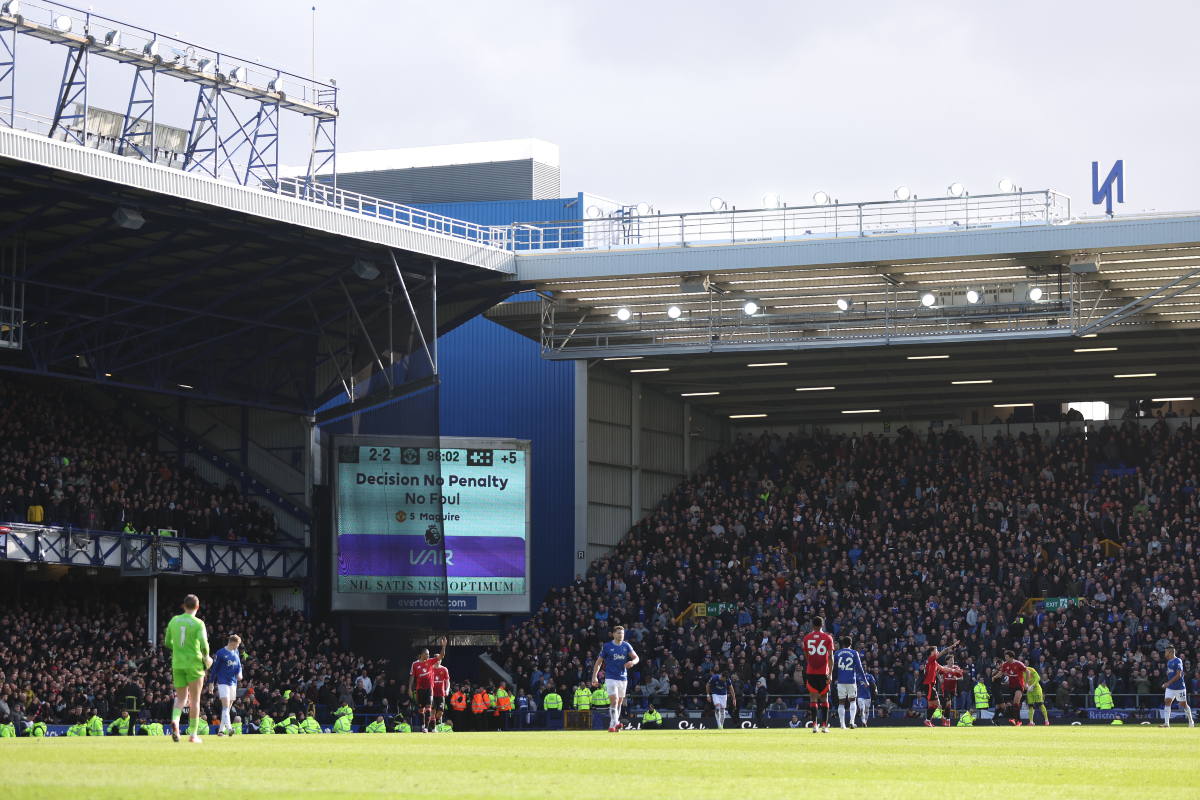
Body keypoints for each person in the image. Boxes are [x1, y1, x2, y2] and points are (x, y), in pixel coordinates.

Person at [164, 594, 212, 743]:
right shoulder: (199, 623)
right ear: (197, 607)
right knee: (195, 700)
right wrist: (206, 657)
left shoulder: (174, 621)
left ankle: (175, 722)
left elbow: (167, 642)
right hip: (194, 664)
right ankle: (193, 735)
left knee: (181, 699)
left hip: (178, 664)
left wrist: (178, 649)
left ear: (183, 606)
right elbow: (204, 644)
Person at [591, 624, 639, 733]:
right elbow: (599, 662)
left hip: (623, 678)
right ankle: (617, 723)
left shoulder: (626, 646)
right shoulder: (607, 646)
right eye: (618, 633)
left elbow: (636, 658)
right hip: (610, 677)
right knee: (614, 700)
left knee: (619, 702)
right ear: (613, 634)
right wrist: (594, 676)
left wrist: (632, 662)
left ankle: (612, 726)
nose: (621, 635)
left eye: (622, 633)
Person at [801, 615, 835, 733]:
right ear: (822, 625)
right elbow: (831, 657)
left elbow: (807, 656)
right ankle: (825, 726)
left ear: (812, 625)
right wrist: (830, 673)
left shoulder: (806, 638)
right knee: (824, 698)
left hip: (811, 671)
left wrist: (811, 662)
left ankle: (814, 725)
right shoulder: (827, 637)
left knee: (813, 698)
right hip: (823, 672)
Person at [409, 638, 447, 733]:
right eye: (427, 654)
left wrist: (443, 647)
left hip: (429, 689)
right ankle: (423, 726)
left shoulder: (430, 661)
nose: (428, 655)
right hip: (420, 689)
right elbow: (412, 677)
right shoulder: (415, 664)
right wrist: (409, 689)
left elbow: (441, 656)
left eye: (429, 654)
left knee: (429, 707)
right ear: (421, 655)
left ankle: (426, 727)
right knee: (421, 709)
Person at [921, 639, 958, 728]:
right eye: (936, 650)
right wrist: (951, 647)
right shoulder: (930, 659)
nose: (937, 652)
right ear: (932, 652)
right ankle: (927, 720)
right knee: (937, 704)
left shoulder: (934, 662)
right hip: (929, 684)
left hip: (930, 684)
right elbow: (942, 653)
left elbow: (943, 669)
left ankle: (928, 722)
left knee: (930, 705)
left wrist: (953, 670)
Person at [833, 637, 867, 730]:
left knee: (841, 702)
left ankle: (842, 724)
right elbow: (859, 668)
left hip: (840, 681)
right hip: (851, 680)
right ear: (851, 644)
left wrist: (829, 676)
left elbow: (831, 664)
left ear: (842, 644)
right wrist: (865, 680)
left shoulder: (837, 653)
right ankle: (852, 721)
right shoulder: (854, 653)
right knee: (852, 700)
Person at [212, 634, 243, 736]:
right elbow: (214, 669)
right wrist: (211, 682)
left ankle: (221, 731)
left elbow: (239, 665)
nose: (238, 646)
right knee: (225, 706)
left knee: (228, 707)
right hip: (223, 683)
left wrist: (240, 673)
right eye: (238, 644)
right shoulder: (220, 653)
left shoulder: (236, 652)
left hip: (233, 683)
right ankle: (229, 729)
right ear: (234, 643)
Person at [1161, 646, 1195, 728]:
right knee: (1167, 701)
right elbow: (1170, 674)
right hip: (1170, 687)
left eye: (1165, 652)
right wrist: (1168, 683)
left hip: (1179, 687)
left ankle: (1191, 720)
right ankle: (1166, 723)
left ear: (1169, 652)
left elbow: (1178, 675)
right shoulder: (1169, 662)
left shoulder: (1178, 661)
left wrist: (1168, 683)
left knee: (1184, 704)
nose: (1165, 653)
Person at [992, 650, 1027, 727]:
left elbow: (1027, 672)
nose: (1005, 658)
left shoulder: (1018, 663)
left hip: (1019, 685)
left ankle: (1014, 719)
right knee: (1015, 703)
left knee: (1016, 701)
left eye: (1006, 657)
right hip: (1011, 686)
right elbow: (1001, 672)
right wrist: (995, 676)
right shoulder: (1006, 665)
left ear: (1011, 658)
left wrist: (1026, 683)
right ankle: (1019, 721)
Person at [430, 658, 451, 732]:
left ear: (441, 661)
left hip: (441, 694)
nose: (437, 662)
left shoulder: (444, 669)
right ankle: (433, 728)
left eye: (439, 660)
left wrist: (447, 690)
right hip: (432, 694)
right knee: (433, 711)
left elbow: (447, 681)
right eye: (436, 660)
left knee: (441, 712)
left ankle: (433, 723)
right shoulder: (430, 669)